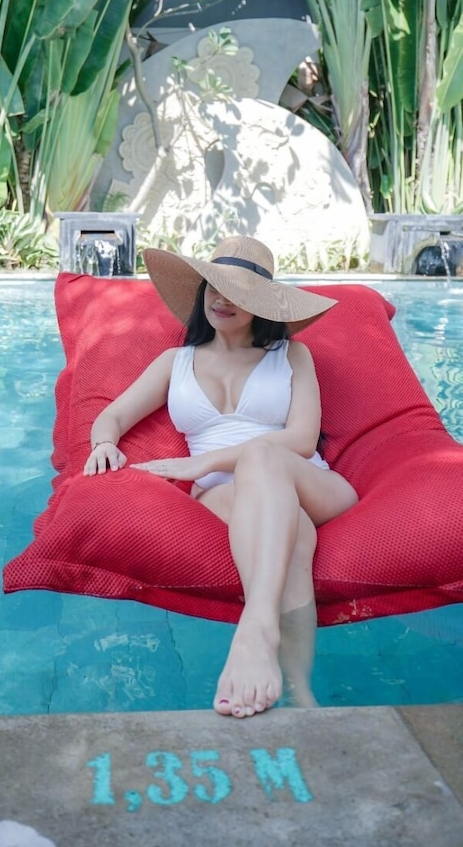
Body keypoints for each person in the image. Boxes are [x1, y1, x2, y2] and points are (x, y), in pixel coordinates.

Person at [83, 236, 358, 718]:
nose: (221, 299)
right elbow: (113, 416)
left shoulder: (292, 355)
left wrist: (204, 463)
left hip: (306, 480)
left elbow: (300, 439)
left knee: (263, 457)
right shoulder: (176, 362)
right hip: (228, 496)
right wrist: (103, 443)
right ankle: (300, 695)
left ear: (261, 303)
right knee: (294, 536)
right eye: (214, 286)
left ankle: (256, 629)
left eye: (238, 291)